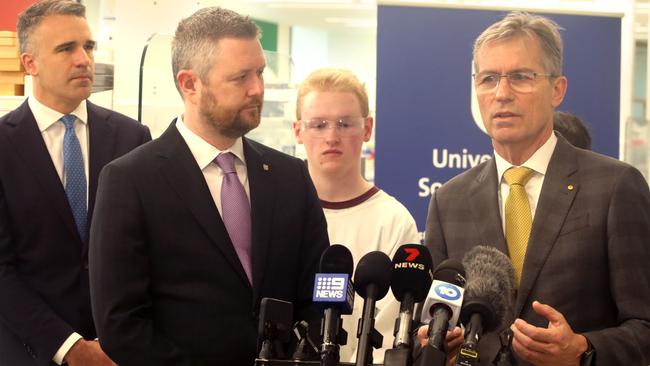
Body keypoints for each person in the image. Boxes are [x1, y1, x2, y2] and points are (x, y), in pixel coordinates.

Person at [89, 7, 329, 365]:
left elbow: (317, 295)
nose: (257, 89)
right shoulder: (131, 180)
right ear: (190, 84)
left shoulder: (290, 176)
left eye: (261, 72)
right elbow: (120, 325)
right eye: (240, 77)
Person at [423, 11, 650, 365]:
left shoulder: (615, 186)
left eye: (520, 77)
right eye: (488, 79)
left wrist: (583, 350)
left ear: (557, 90)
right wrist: (434, 341)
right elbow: (435, 319)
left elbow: (644, 325)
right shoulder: (449, 200)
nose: (502, 93)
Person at [0, 1, 151, 365]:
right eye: (66, 48)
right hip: (30, 351)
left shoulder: (133, 137)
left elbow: (151, 251)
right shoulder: (3, 146)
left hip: (122, 349)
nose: (83, 59)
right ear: (29, 63)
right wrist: (71, 348)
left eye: (88, 46)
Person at [293, 68, 421, 362]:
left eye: (344, 124)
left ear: (367, 128)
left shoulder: (394, 222)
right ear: (298, 131)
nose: (332, 137)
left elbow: (390, 337)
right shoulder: (277, 211)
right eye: (319, 124)